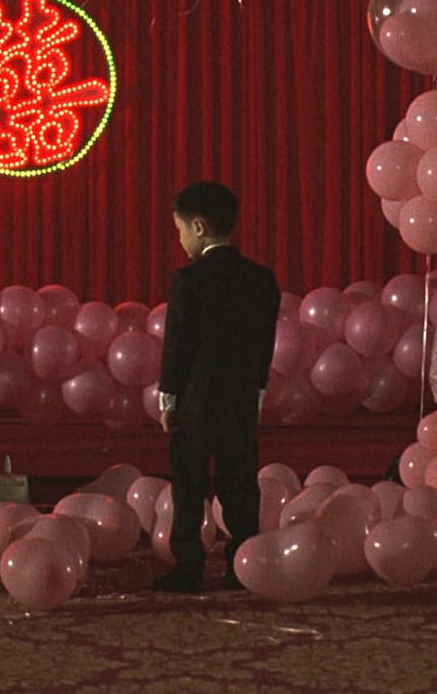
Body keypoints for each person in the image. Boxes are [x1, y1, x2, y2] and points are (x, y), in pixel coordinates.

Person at [155, 182, 281, 593]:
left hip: (195, 401)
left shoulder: (187, 281)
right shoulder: (261, 280)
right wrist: (256, 395)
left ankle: (188, 566)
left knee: (189, 487)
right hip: (240, 400)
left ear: (199, 227)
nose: (179, 239)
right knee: (241, 486)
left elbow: (178, 347)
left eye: (180, 230)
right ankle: (244, 564)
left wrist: (168, 398)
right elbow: (264, 346)